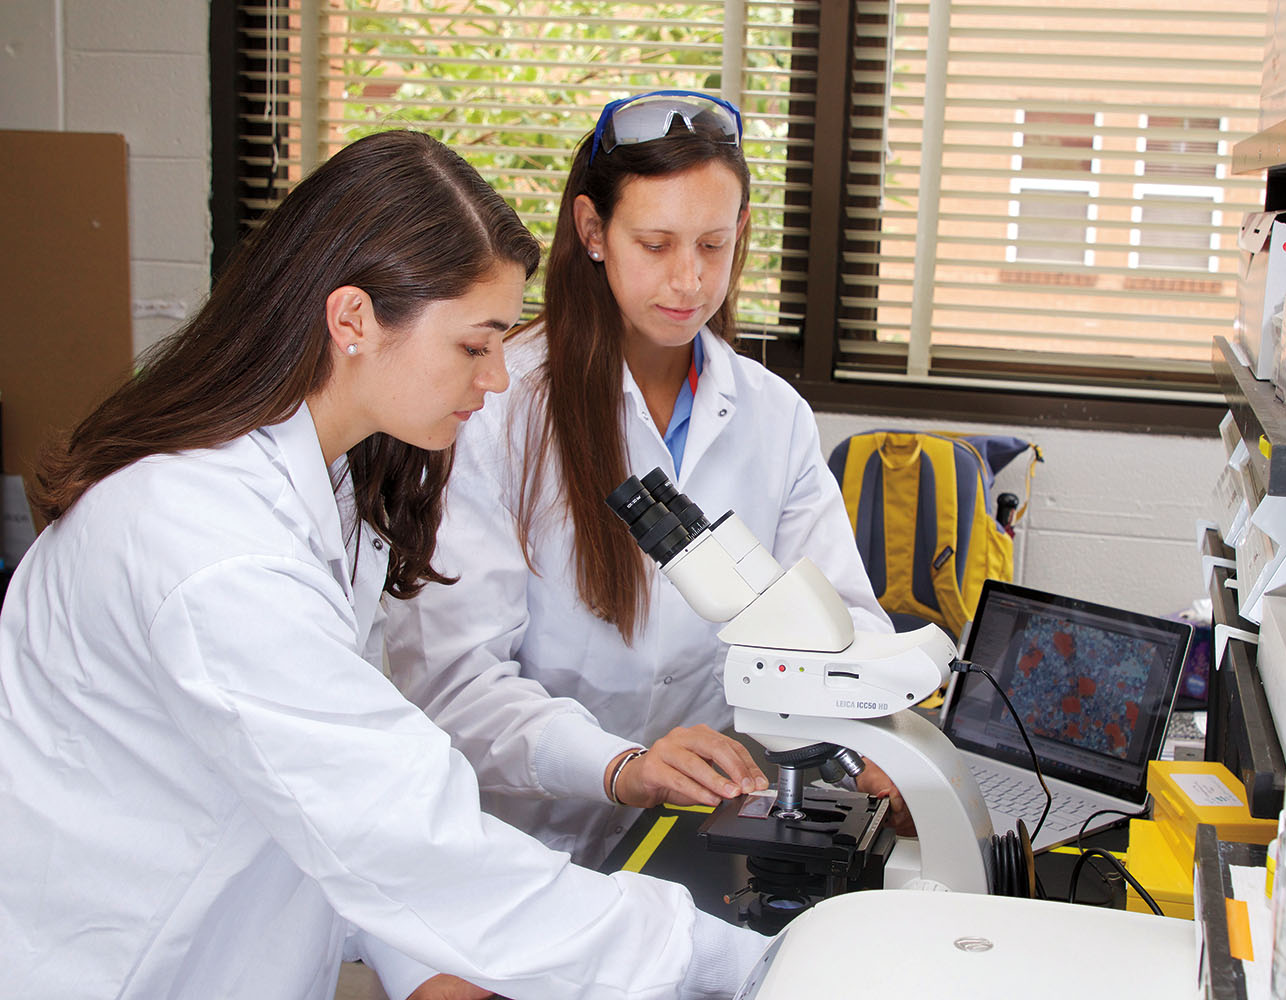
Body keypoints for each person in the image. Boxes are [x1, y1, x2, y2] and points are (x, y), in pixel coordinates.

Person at [0, 129, 766, 1000]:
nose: (498, 377)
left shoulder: (324, 493)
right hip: (115, 963)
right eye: (475, 345)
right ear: (353, 319)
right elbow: (398, 827)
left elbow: (337, 793)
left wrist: (424, 962)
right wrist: (745, 969)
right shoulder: (210, 546)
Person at [384, 91, 909, 871]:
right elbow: (457, 680)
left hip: (697, 832)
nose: (689, 281)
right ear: (593, 232)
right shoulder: (494, 404)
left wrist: (873, 724)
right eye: (657, 243)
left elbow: (841, 620)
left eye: (713, 245)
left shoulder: (775, 415)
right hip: (524, 840)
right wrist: (618, 765)